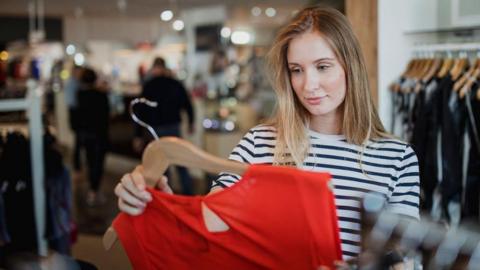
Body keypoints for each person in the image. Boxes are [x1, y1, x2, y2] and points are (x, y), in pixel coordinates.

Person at [114, 6, 420, 267]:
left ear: (349, 67)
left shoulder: (396, 158)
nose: (308, 84)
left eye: (323, 67)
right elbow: (211, 224)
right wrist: (156, 197)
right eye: (296, 70)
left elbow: (402, 259)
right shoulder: (259, 143)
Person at [133, 57, 195, 195]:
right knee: (181, 162)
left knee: (161, 167)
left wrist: (137, 135)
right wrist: (191, 122)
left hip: (156, 130)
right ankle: (189, 196)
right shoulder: (175, 83)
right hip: (174, 127)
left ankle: (167, 197)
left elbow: (140, 111)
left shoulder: (148, 85)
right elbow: (188, 104)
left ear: (155, 68)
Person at [77, 67, 110, 206]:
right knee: (98, 163)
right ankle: (94, 190)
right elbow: (107, 115)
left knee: (90, 162)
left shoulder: (80, 95)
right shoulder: (101, 95)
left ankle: (93, 190)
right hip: (99, 134)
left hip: (86, 134)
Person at [64, 65, 83, 172]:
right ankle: (77, 166)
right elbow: (72, 103)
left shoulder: (75, 83)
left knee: (78, 141)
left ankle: (77, 166)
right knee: (78, 141)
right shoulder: (72, 83)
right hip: (75, 115)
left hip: (76, 114)